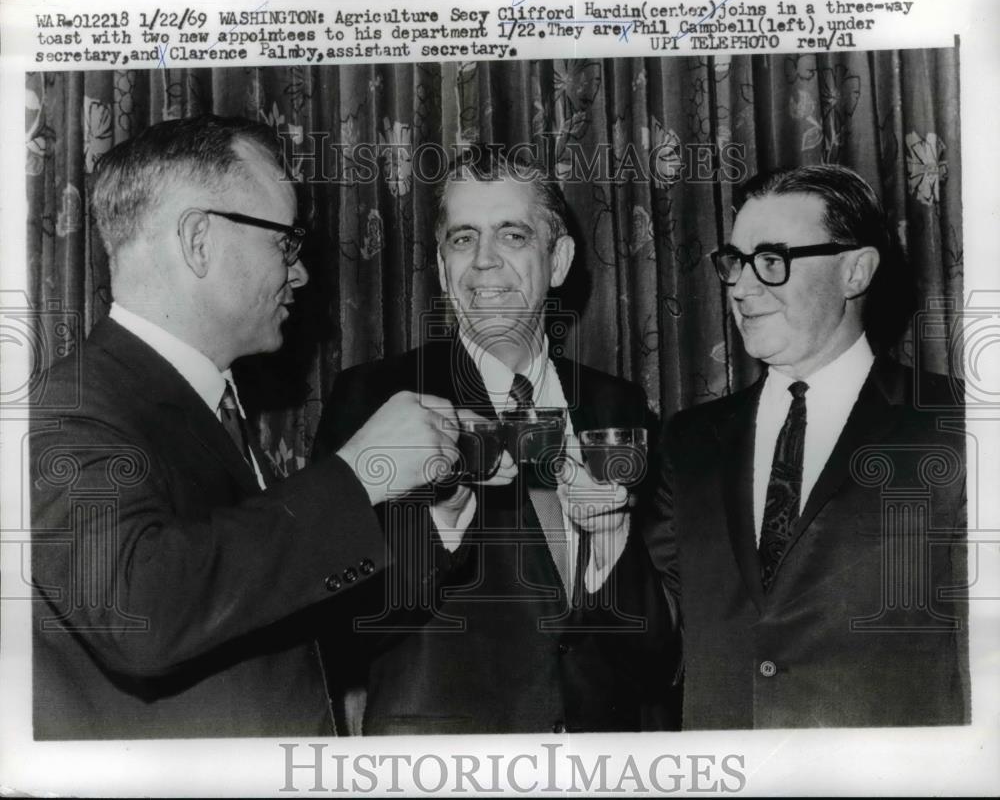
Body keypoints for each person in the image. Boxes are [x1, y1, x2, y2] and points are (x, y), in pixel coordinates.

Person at [30, 115, 465, 739]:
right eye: (285, 243)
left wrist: (435, 530)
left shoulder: (206, 402)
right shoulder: (62, 410)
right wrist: (359, 473)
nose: (302, 273)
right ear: (199, 239)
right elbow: (140, 613)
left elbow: (264, 616)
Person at [313, 148, 680, 734]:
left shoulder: (618, 407)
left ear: (557, 260)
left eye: (511, 235)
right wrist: (439, 522)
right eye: (462, 239)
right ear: (440, 267)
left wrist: (610, 546)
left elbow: (660, 652)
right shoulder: (375, 397)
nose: (483, 262)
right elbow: (331, 619)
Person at [645, 164, 968, 729]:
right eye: (735, 263)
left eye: (771, 261)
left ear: (855, 272)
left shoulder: (958, 424)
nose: (740, 287)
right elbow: (658, 628)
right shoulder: (688, 440)